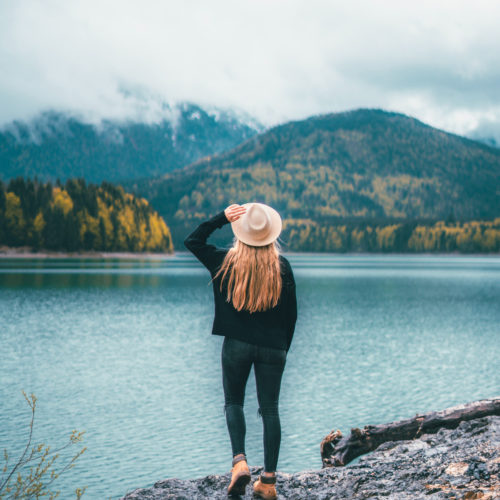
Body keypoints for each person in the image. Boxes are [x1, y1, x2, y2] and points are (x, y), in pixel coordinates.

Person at [184, 202, 297, 499]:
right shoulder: (282, 267)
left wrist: (221, 218)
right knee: (270, 409)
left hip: (236, 345)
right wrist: (282, 349)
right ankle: (269, 482)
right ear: (270, 236)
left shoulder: (225, 262)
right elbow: (291, 316)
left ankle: (240, 464)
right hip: (274, 348)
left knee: (233, 402)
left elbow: (193, 241)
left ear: (241, 234)